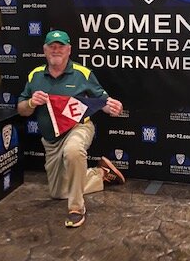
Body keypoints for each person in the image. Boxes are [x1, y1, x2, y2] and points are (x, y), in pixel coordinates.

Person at [17, 29, 125, 228]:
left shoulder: (83, 74)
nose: (56, 50)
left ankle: (77, 208)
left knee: (73, 150)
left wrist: (112, 107)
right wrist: (31, 102)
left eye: (61, 46)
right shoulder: (35, 76)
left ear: (69, 50)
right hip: (51, 140)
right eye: (52, 46)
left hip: (79, 129)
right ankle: (100, 174)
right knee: (58, 193)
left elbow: (103, 101)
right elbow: (22, 110)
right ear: (44, 50)